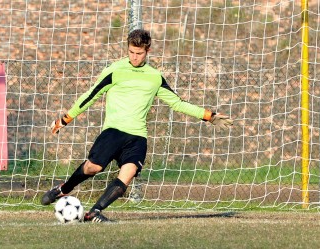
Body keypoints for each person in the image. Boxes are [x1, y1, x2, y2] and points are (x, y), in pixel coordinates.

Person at [41, 29, 233, 222]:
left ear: (147, 51)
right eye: (131, 52)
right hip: (113, 131)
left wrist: (209, 116)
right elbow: (90, 95)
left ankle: (95, 212)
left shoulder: (155, 77)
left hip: (137, 136)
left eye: (139, 53)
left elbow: (177, 103)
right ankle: (63, 189)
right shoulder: (115, 70)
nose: (134, 57)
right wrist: (65, 119)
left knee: (129, 171)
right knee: (94, 167)